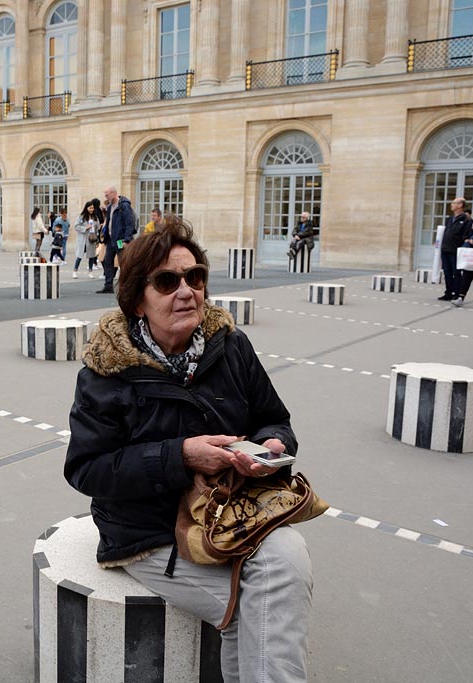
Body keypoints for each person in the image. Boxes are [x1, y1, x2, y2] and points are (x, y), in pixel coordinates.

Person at [65, 217, 312, 683]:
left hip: (233, 514)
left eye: (195, 277)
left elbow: (274, 418)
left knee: (288, 553)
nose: (186, 291)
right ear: (138, 298)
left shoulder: (232, 347)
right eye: (167, 281)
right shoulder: (106, 373)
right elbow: (86, 469)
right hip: (148, 532)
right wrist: (180, 456)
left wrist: (273, 445)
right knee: (266, 603)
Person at [98, 184, 136, 293]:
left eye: (107, 195)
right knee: (107, 261)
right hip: (110, 239)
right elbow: (109, 222)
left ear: (114, 193)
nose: (106, 197)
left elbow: (129, 223)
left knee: (123, 262)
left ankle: (125, 286)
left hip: (120, 239)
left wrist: (127, 239)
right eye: (105, 195)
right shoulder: (110, 207)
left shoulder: (124, 206)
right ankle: (108, 285)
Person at [439, 197, 470, 301]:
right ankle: (448, 292)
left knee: (456, 273)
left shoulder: (466, 220)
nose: (451, 205)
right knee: (447, 272)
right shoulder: (450, 218)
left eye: (454, 203)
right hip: (445, 249)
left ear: (460, 205)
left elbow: (465, 235)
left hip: (456, 250)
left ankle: (456, 293)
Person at [72, 198, 102, 279]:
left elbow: (97, 227)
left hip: (91, 238)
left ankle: (90, 271)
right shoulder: (81, 216)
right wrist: (85, 227)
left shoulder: (95, 217)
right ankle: (75, 271)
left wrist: (97, 237)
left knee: (91, 256)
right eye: (90, 208)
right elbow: (76, 226)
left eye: (92, 208)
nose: (91, 209)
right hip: (83, 238)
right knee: (79, 256)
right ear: (86, 208)